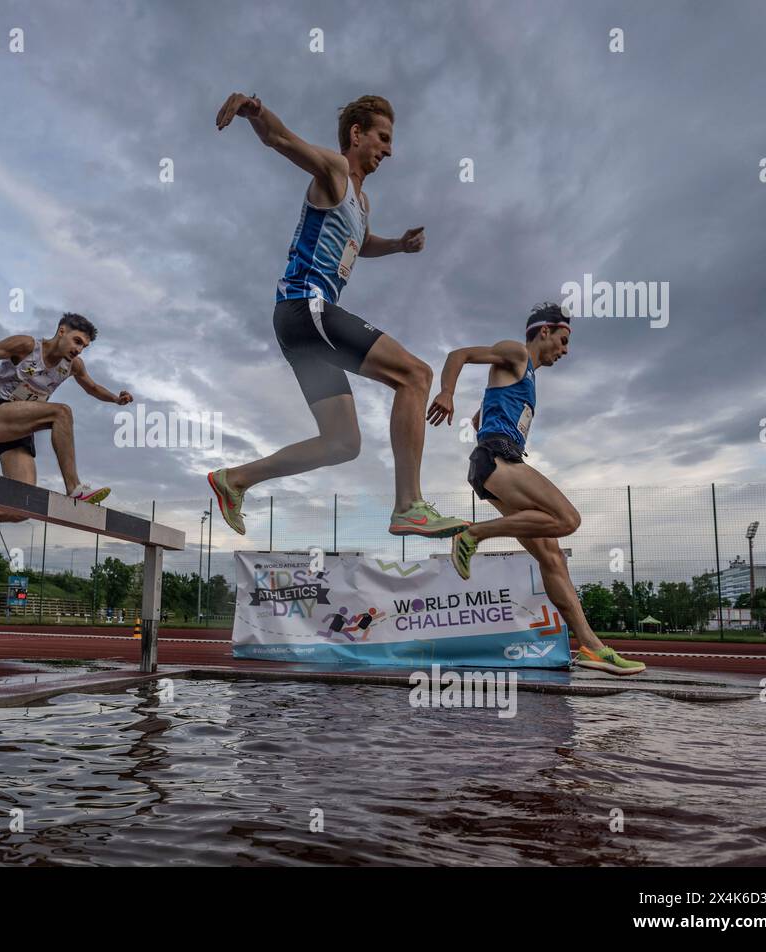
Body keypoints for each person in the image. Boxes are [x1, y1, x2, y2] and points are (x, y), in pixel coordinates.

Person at [206, 93, 468, 540]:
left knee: (343, 442)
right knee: (416, 376)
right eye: (383, 138)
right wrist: (256, 111)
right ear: (356, 134)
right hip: (305, 308)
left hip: (300, 326)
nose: (389, 150)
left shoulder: (361, 205)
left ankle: (235, 480)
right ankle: (409, 506)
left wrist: (399, 246)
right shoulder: (335, 170)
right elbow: (282, 139)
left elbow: (361, 246)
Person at [426, 302, 645, 675]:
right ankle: (472, 534)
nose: (565, 350)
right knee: (567, 518)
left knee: (552, 558)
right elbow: (458, 354)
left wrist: (483, 412)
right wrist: (447, 392)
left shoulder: (525, 378)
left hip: (498, 461)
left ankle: (592, 648)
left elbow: (493, 403)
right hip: (499, 459)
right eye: (562, 340)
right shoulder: (515, 352)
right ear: (544, 331)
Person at [0, 313, 128, 543]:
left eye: (84, 346)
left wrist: (116, 399)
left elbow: (92, 387)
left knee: (21, 509)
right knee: (61, 412)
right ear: (61, 331)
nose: (79, 350)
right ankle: (74, 487)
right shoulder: (26, 346)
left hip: (20, 432)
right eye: (77, 341)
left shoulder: (72, 366)